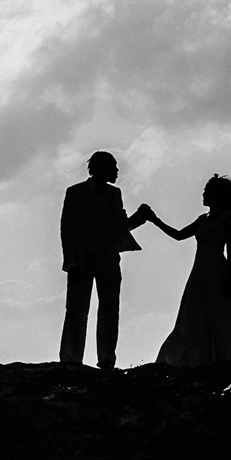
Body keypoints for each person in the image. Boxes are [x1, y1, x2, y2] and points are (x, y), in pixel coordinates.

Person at [146, 174, 231, 366]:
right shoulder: (202, 219)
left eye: (207, 192)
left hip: (217, 272)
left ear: (216, 195)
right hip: (199, 273)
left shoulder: (228, 219)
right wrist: (155, 220)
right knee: (195, 316)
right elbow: (179, 235)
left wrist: (227, 280)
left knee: (224, 315)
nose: (203, 195)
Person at [59, 151, 152, 368]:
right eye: (113, 167)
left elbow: (119, 227)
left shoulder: (114, 194)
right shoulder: (75, 193)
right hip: (82, 260)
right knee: (76, 310)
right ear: (100, 168)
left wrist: (139, 218)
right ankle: (71, 359)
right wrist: (71, 262)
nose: (117, 171)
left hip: (108, 257)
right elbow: (66, 230)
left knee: (110, 308)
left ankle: (107, 358)